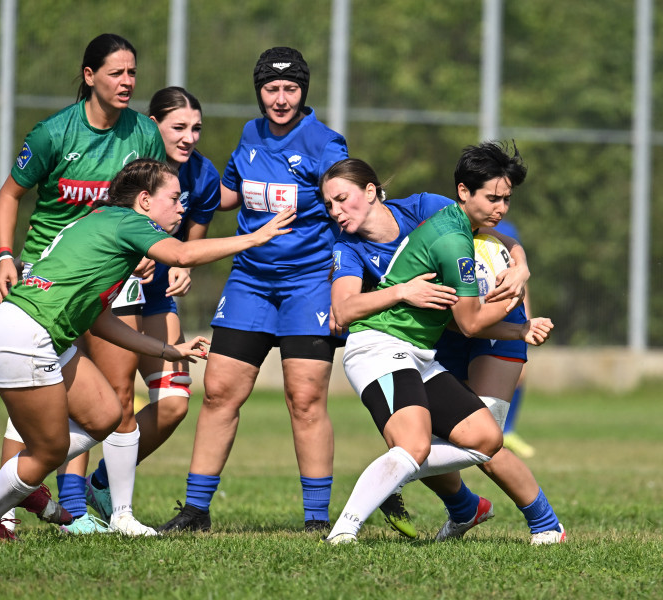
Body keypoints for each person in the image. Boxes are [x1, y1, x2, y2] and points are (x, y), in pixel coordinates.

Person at [0, 158, 297, 542]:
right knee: (48, 450)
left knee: (107, 414)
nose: (182, 206)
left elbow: (99, 318)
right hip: (25, 335)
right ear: (144, 201)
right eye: (174, 198)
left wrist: (165, 351)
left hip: (28, 329)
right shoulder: (130, 224)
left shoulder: (101, 222)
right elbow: (182, 256)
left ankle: (27, 477)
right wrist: (256, 238)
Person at [324, 153, 565, 545]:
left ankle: (544, 523)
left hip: (461, 332)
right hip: (422, 337)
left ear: (371, 192)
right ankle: (373, 513)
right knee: (415, 443)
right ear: (463, 191)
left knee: (484, 439)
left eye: (342, 199)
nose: (335, 210)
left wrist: (520, 267)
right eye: (329, 203)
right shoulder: (348, 246)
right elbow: (343, 311)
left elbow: (496, 233)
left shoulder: (426, 210)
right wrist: (403, 291)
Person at [158, 47, 349, 534]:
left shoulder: (327, 143)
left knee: (304, 398)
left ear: (304, 91)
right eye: (271, 89)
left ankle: (315, 519)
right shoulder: (249, 134)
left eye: (290, 89)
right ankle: (196, 510)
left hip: (309, 284)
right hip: (250, 281)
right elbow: (226, 195)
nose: (281, 99)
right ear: (258, 91)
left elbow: (350, 206)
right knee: (219, 391)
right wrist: (176, 170)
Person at [0, 33, 167, 536]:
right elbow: (9, 196)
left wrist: (149, 252)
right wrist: (5, 256)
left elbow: (149, 203)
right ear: (89, 77)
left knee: (118, 395)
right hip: (49, 282)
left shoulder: (143, 134)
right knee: (29, 404)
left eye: (133, 73)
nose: (127, 82)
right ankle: (4, 508)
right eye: (116, 73)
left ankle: (121, 514)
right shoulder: (53, 134)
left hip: (114, 277)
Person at [62, 87, 222, 528]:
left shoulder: (203, 175)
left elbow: (192, 241)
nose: (190, 137)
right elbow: (101, 227)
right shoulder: (128, 164)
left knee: (173, 401)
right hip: (113, 293)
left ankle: (102, 482)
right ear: (153, 125)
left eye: (197, 128)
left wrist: (183, 265)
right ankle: (73, 506)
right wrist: (137, 253)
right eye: (179, 127)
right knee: (107, 397)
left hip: (158, 298)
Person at [493, 219, 536, 459]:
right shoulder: (457, 227)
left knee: (520, 373)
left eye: (504, 198)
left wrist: (526, 317)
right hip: (475, 314)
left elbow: (521, 280)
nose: (499, 205)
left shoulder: (509, 231)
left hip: (508, 313)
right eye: (492, 197)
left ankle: (507, 430)